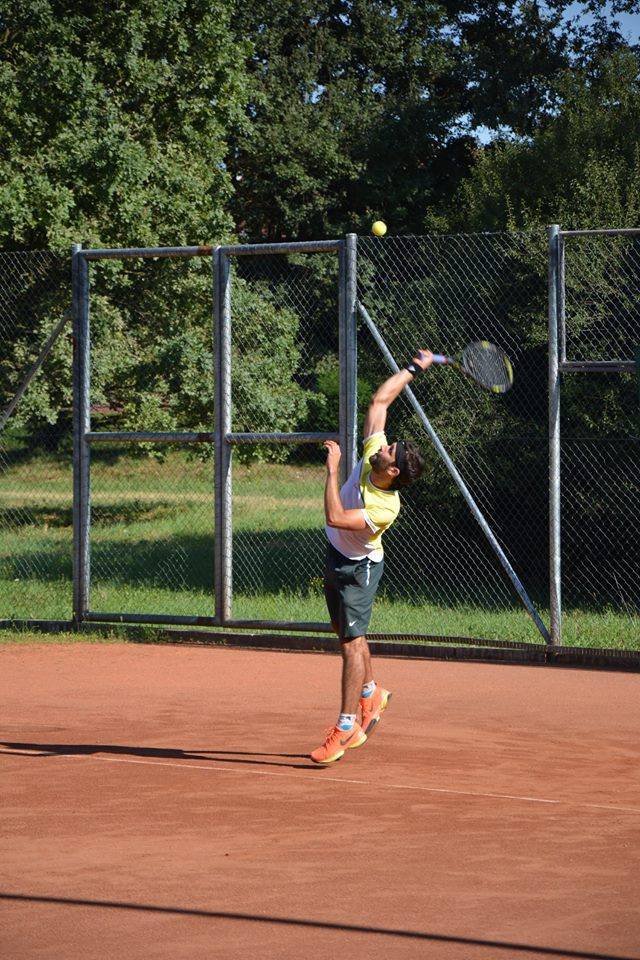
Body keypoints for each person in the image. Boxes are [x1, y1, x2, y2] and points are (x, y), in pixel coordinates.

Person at [310, 349, 432, 764]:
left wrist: (332, 469)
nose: (383, 446)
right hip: (337, 554)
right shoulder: (374, 457)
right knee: (346, 633)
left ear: (392, 471)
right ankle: (372, 692)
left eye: (389, 451)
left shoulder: (384, 507)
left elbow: (334, 516)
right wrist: (413, 369)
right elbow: (380, 402)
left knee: (350, 643)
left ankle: (346, 726)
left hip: (358, 569)